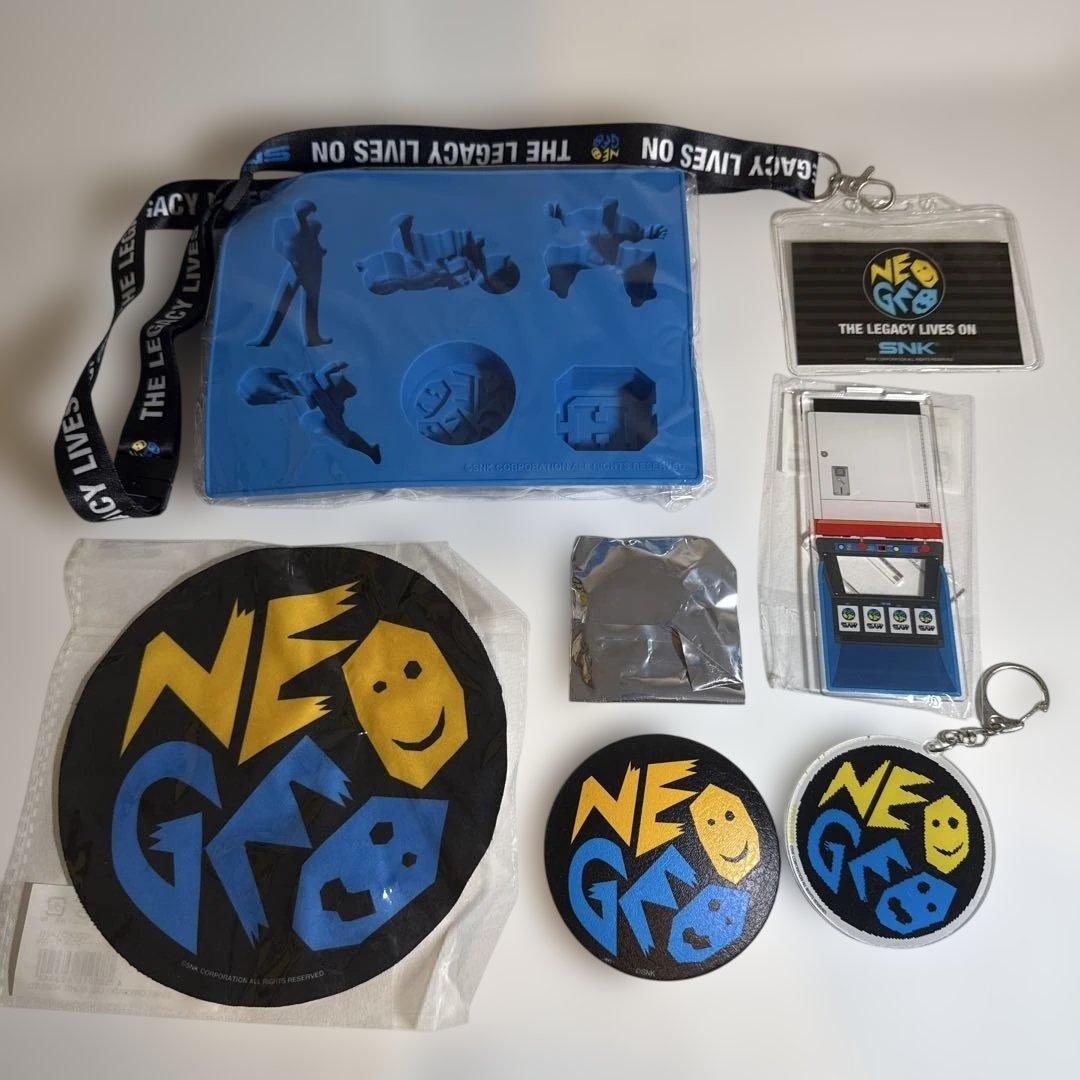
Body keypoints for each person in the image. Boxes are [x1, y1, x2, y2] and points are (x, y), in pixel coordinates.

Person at [237, 360, 380, 464]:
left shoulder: (307, 384)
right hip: (331, 403)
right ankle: (368, 450)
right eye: (269, 399)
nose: (276, 399)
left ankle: (367, 450)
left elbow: (316, 384)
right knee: (323, 427)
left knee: (317, 423)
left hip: (334, 394)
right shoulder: (304, 402)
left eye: (270, 396)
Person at [543, 196, 666, 307]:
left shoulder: (618, 227)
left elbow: (634, 234)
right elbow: (571, 220)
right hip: (606, 257)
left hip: (629, 261)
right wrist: (560, 215)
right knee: (586, 256)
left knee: (638, 264)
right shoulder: (591, 226)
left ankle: (641, 290)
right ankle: (558, 270)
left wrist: (646, 233)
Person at [356, 213, 520, 295]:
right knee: (411, 258)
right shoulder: (474, 266)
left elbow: (446, 275)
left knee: (413, 262)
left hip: (428, 272)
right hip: (430, 268)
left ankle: (403, 233)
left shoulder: (469, 274)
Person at [250, 199, 332, 347]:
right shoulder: (283, 224)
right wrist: (291, 258)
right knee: (282, 302)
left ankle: (313, 338)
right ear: (298, 211)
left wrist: (320, 250)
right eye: (306, 212)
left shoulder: (315, 225)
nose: (309, 215)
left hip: (314, 267)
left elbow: (313, 242)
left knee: (312, 303)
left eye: (309, 212)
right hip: (294, 268)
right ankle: (265, 338)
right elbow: (278, 245)